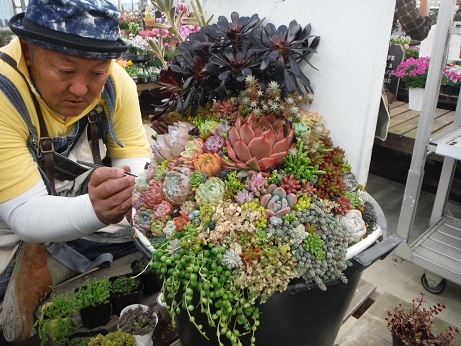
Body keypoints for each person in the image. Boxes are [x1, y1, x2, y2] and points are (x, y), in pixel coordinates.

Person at [0, 0, 151, 342]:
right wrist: (96, 209)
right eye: (65, 71)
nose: (81, 89)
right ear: (28, 49)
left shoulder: (116, 83)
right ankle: (30, 259)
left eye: (96, 72)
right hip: (9, 221)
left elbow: (136, 157)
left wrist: (129, 187)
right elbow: (24, 212)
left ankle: (54, 252)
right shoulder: (3, 94)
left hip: (75, 201)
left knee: (139, 244)